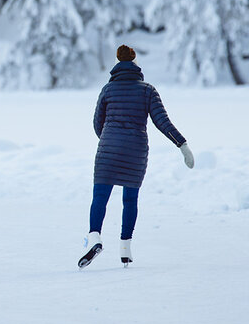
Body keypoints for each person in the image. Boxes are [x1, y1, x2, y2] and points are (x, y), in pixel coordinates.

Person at [78, 44, 194, 269]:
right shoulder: (147, 90)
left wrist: (109, 139)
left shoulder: (107, 89)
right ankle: (125, 249)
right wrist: (182, 144)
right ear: (135, 63)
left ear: (116, 63)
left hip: (108, 150)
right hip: (135, 151)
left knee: (100, 197)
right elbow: (162, 122)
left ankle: (94, 238)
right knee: (129, 200)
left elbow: (96, 123)